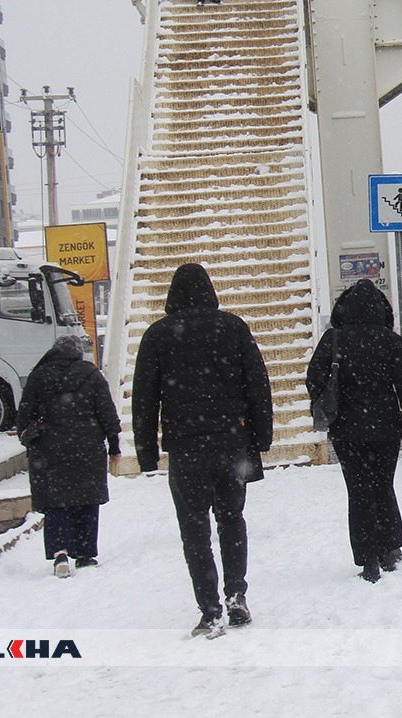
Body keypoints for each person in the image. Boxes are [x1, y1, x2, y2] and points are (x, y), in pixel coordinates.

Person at [132, 263, 274, 639]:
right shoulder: (233, 328)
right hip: (231, 443)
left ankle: (210, 611)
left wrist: (146, 451)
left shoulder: (158, 335)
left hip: (186, 448)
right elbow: (257, 385)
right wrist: (261, 436)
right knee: (232, 519)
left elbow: (144, 399)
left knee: (194, 528)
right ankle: (236, 594)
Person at [307, 279, 402, 583]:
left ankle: (368, 559)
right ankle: (390, 548)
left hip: (347, 430)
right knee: (383, 485)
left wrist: (334, 399)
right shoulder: (389, 340)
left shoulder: (333, 339)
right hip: (384, 427)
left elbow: (313, 378)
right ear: (380, 310)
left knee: (359, 490)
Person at [16, 335, 121, 578]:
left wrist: (30, 438)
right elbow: (107, 412)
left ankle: (60, 554)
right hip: (87, 446)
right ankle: (85, 554)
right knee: (87, 498)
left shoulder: (39, 375)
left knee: (56, 501)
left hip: (49, 448)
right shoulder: (91, 374)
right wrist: (114, 445)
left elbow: (24, 416)